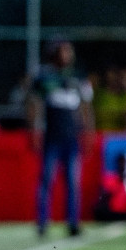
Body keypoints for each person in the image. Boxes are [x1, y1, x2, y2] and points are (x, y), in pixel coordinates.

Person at [27, 40, 93, 238]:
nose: (67, 55)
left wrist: (88, 132)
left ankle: (72, 222)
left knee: (73, 181)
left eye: (69, 51)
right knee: (46, 179)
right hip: (51, 136)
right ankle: (42, 222)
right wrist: (33, 130)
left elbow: (86, 107)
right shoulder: (44, 77)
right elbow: (34, 104)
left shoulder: (78, 77)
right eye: (63, 51)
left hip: (72, 136)